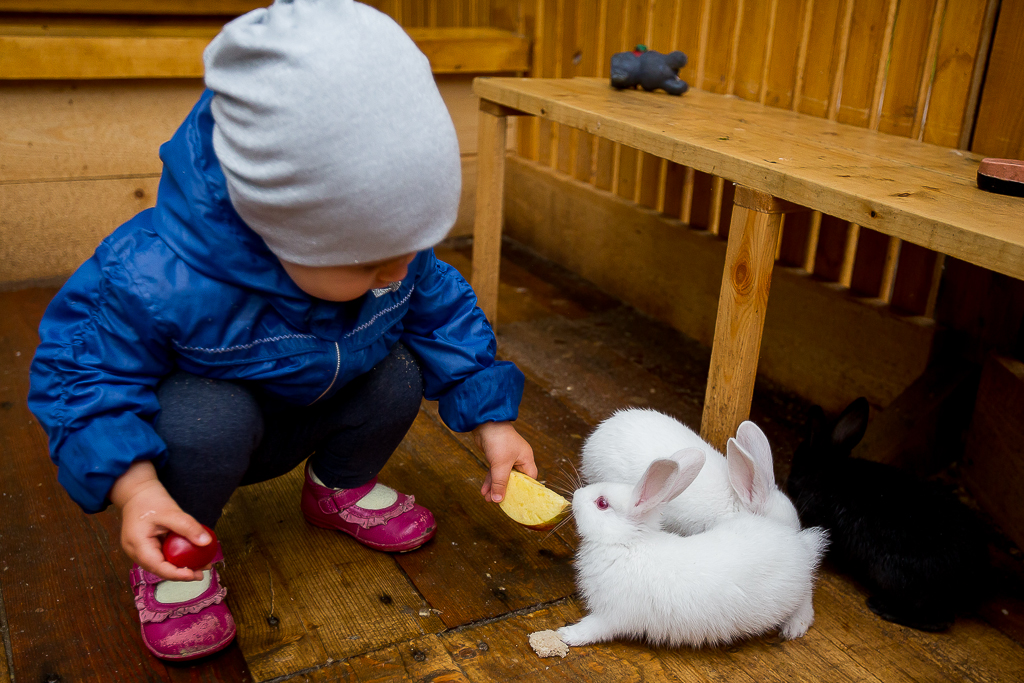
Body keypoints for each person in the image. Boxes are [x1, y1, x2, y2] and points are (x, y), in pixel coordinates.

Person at [27, 0, 535, 663]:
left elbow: (447, 317)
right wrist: (136, 487)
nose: (401, 270)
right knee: (206, 419)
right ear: (276, 231)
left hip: (320, 398)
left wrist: (493, 419)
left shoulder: (393, 253)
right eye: (371, 262)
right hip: (212, 430)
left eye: (415, 246)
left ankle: (338, 486)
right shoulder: (151, 272)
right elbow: (79, 376)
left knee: (398, 372)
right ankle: (178, 548)